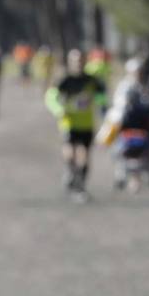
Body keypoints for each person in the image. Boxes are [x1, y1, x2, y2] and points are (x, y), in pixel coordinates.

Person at [45, 48, 109, 201]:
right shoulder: (64, 79)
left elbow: (101, 95)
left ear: (85, 61)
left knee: (85, 156)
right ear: (69, 62)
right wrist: (59, 110)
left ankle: (81, 186)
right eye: (74, 60)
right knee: (70, 152)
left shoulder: (91, 79)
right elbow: (50, 97)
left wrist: (102, 106)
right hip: (69, 122)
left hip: (86, 123)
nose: (78, 63)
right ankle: (70, 172)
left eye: (80, 60)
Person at [104, 57, 149, 191]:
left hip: (145, 124)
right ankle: (121, 174)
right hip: (127, 123)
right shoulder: (124, 86)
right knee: (122, 150)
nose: (138, 74)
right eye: (136, 71)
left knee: (147, 150)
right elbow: (118, 104)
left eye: (140, 71)